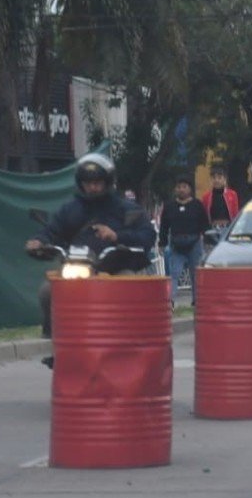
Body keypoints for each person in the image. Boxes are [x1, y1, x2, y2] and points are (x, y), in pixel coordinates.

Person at [25, 152, 157, 366]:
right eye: (88, 183)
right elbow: (52, 231)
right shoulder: (70, 209)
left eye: (97, 183)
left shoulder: (125, 209)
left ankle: (129, 345)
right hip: (76, 269)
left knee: (129, 287)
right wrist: (39, 241)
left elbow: (147, 235)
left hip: (114, 270)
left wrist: (117, 236)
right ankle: (56, 343)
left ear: (108, 182)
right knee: (47, 291)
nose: (93, 187)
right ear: (81, 183)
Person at [158, 176, 208, 307]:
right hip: (176, 245)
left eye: (184, 187)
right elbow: (164, 226)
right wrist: (162, 243)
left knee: (195, 274)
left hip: (195, 244)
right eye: (179, 187)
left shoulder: (197, 205)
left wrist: (207, 240)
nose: (181, 190)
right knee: (174, 273)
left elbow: (205, 225)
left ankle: (197, 302)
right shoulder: (169, 206)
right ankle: (170, 303)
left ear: (190, 189)